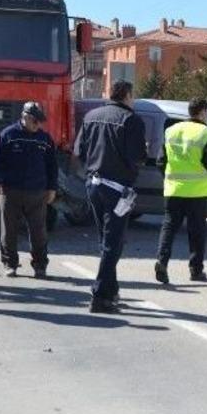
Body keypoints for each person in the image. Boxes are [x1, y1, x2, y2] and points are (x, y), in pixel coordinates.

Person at [74, 80, 147, 314]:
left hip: (93, 185)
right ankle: (99, 295)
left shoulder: (91, 116)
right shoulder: (131, 120)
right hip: (117, 189)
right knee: (113, 243)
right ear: (127, 95)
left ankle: (111, 291)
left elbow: (79, 151)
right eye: (133, 96)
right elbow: (138, 156)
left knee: (106, 241)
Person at [0, 102, 58, 279]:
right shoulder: (8, 135)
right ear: (25, 117)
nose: (38, 125)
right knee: (9, 231)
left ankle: (40, 266)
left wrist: (52, 188)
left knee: (39, 232)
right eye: (35, 121)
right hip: (10, 191)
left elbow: (52, 166)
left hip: (37, 192)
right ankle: (9, 264)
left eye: (40, 121)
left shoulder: (45, 139)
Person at [153, 98, 207, 284]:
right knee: (196, 232)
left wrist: (170, 177)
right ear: (203, 112)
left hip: (174, 189)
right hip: (197, 192)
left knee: (169, 227)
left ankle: (162, 261)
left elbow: (160, 161)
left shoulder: (171, 131)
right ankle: (196, 270)